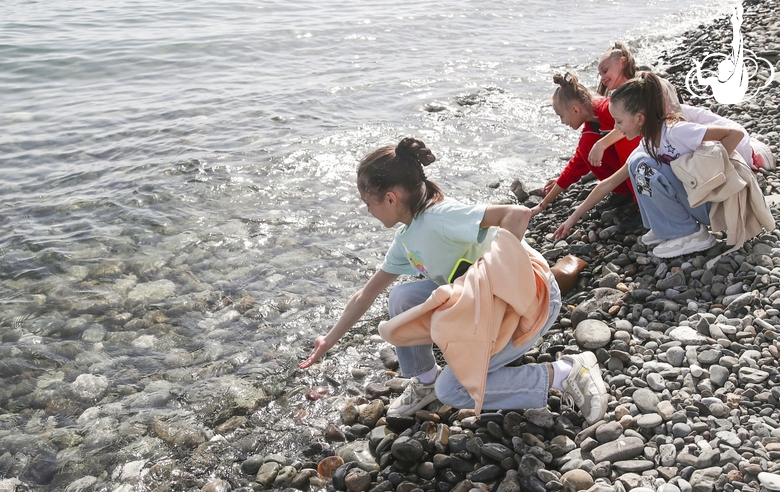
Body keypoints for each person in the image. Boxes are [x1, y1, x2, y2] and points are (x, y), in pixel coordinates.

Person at [299, 137, 608, 424]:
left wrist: (496, 277)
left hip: (530, 301)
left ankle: (567, 372)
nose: (368, 211)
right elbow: (366, 295)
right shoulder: (407, 237)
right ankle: (425, 381)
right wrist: (329, 341)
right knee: (401, 299)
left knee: (455, 392)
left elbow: (517, 214)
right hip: (486, 309)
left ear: (390, 198)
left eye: (368, 203)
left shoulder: (440, 217)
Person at [553, 72, 745, 258]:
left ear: (640, 118)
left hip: (716, 204)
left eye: (618, 122)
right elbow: (609, 183)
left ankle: (691, 233)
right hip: (698, 202)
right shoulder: (648, 143)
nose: (616, 129)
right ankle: (663, 225)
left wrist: (708, 171)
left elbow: (734, 134)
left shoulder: (674, 131)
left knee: (643, 167)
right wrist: (573, 218)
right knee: (637, 165)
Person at [593, 41, 774, 171]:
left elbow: (647, 119)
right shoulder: (627, 95)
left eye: (605, 70)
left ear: (622, 62)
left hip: (682, 128)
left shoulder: (647, 85)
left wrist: (602, 144)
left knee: (733, 152)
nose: (602, 77)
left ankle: (755, 152)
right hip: (673, 135)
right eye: (600, 73)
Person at [531, 72, 636, 220]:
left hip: (646, 159)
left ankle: (638, 200)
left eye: (561, 115)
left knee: (591, 144)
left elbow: (634, 118)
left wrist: (602, 144)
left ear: (575, 110)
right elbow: (575, 167)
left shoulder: (607, 109)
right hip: (630, 170)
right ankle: (626, 191)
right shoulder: (590, 131)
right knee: (587, 145)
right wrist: (543, 204)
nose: (562, 122)